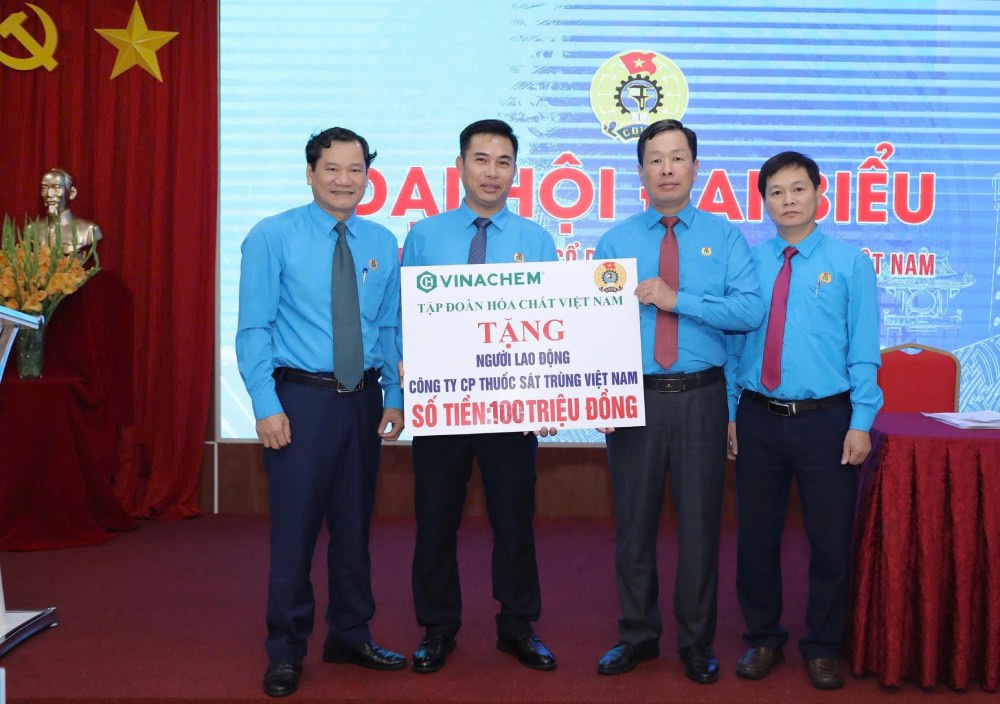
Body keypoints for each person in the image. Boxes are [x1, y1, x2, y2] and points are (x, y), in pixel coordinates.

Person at [236, 127, 406, 698]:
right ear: (309, 173)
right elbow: (253, 328)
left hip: (362, 403)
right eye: (331, 169)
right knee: (295, 535)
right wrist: (265, 404)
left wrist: (394, 397)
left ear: (367, 176)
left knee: (355, 532)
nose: (343, 180)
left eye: (355, 170)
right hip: (299, 403)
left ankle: (351, 635)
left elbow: (388, 328)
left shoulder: (382, 240)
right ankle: (285, 651)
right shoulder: (271, 236)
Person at [593, 119, 763, 683]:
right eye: (655, 159)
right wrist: (600, 397)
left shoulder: (726, 235)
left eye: (677, 158)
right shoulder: (616, 241)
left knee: (698, 527)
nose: (666, 168)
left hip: (701, 398)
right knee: (634, 527)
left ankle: (696, 642)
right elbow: (596, 328)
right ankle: (637, 635)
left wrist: (677, 299)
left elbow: (748, 312)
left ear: (695, 167)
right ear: (640, 171)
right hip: (633, 399)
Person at [401, 118, 558, 674]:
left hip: (511, 409)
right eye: (482, 160)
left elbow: (553, 324)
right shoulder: (425, 235)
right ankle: (438, 627)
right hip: (442, 406)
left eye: (504, 162)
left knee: (514, 520)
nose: (492, 172)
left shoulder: (536, 239)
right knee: (435, 519)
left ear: (516, 170)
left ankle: (517, 625)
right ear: (461, 165)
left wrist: (552, 397)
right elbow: (404, 319)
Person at [725, 151, 882, 690]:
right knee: (756, 538)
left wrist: (862, 419)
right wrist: (730, 413)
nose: (787, 200)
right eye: (776, 192)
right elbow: (733, 344)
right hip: (758, 416)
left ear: (820, 194)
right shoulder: (749, 262)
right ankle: (763, 638)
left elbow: (864, 346)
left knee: (829, 539)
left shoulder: (849, 262)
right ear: (763, 199)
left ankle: (822, 645)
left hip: (828, 421)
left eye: (798, 189)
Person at [40, 168, 103, 255]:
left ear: (72, 193)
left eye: (56, 188)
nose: (49, 194)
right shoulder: (32, 229)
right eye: (44, 188)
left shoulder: (89, 231)